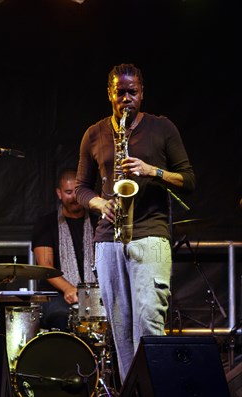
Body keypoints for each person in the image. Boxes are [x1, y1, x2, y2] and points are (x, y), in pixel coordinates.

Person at [75, 63, 195, 382]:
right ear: (110, 93)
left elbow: (188, 180)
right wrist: (99, 202)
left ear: (142, 93)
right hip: (108, 238)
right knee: (121, 333)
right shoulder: (94, 133)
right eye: (120, 92)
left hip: (150, 236)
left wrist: (151, 170)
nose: (126, 98)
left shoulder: (162, 127)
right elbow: (80, 187)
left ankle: (157, 389)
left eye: (132, 92)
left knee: (149, 327)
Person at [31, 167, 97, 332]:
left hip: (94, 293)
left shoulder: (99, 223)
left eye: (77, 192)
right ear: (59, 193)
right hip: (57, 295)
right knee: (61, 317)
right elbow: (45, 266)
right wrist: (68, 288)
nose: (74, 198)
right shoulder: (46, 224)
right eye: (68, 192)